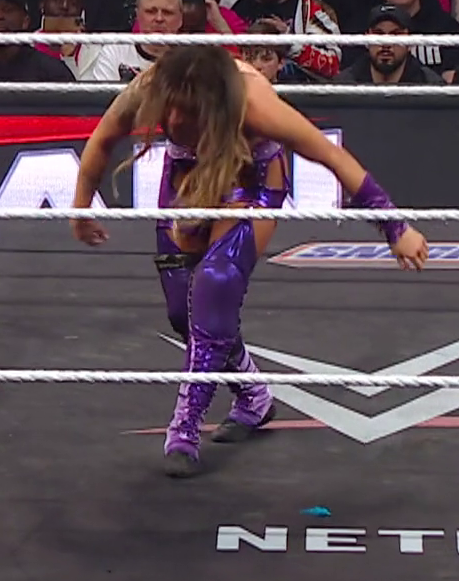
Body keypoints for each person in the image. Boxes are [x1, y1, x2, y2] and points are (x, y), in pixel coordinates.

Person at [69, 44, 429, 477]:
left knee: (216, 282)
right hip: (186, 175)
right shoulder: (151, 87)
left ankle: (184, 428)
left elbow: (332, 156)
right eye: (172, 111)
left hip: (251, 179)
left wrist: (396, 227)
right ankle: (253, 395)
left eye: (188, 113)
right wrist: (81, 206)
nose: (175, 121)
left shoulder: (255, 104)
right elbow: (104, 138)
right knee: (185, 313)